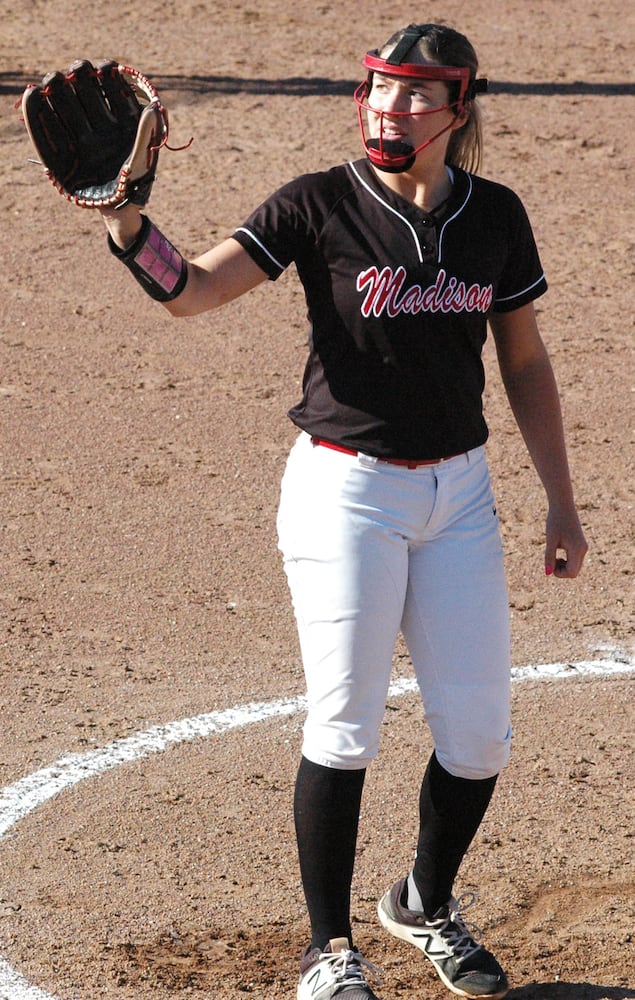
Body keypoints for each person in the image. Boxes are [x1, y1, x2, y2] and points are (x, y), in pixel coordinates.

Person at [101, 21, 588, 1000]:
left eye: (410, 93)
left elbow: (523, 361)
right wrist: (126, 223)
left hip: (459, 493)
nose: (386, 106)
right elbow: (191, 291)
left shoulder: (493, 215)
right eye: (376, 87)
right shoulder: (319, 204)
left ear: (456, 107)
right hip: (345, 491)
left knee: (479, 732)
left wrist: (559, 500)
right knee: (343, 725)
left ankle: (421, 901)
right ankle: (330, 952)